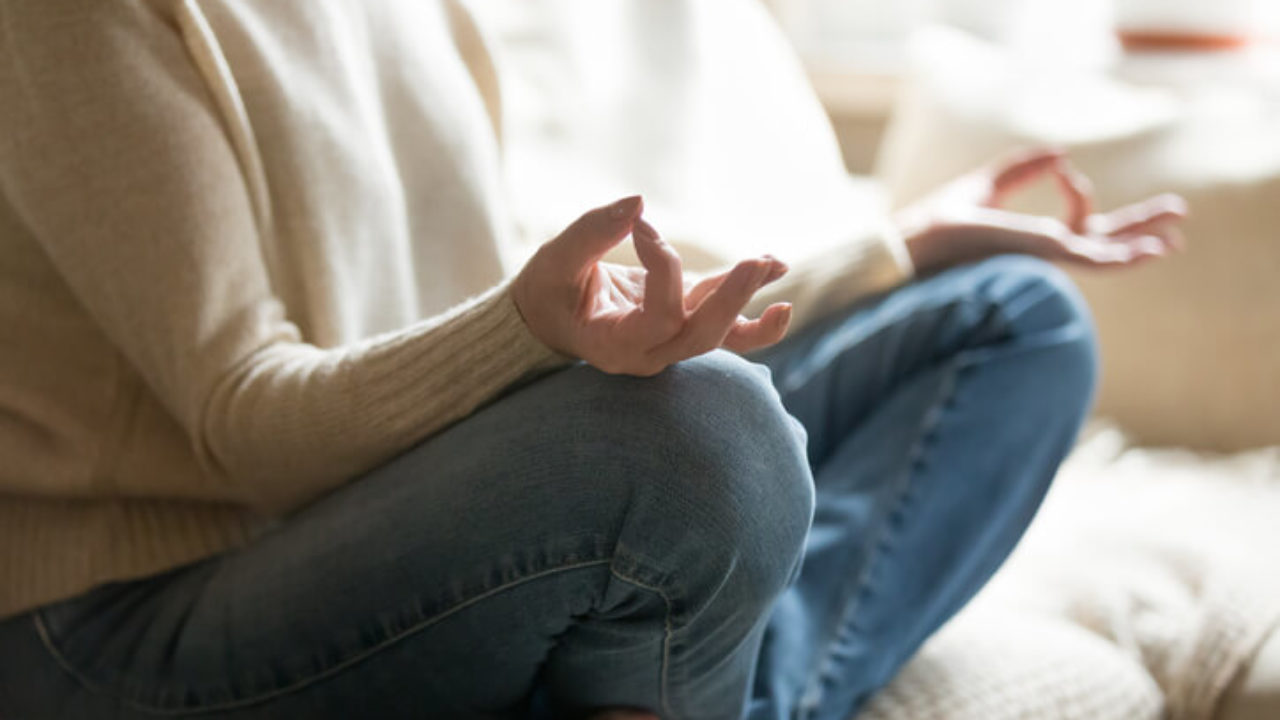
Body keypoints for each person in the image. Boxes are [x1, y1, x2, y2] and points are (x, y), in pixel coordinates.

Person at [0, 1, 1186, 718]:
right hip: (129, 620)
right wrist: (525, 334)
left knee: (1011, 319)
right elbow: (242, 420)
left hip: (384, 514)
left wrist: (894, 246)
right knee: (703, 438)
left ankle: (640, 688)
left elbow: (501, 279)